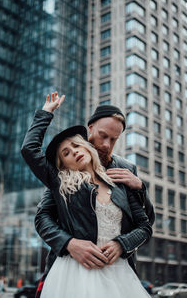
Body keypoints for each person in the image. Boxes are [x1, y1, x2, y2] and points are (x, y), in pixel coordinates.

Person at [21, 92, 152, 297]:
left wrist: (140, 188)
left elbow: (145, 223)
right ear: (89, 130)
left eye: (114, 139)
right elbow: (43, 217)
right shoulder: (63, 178)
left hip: (120, 273)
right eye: (103, 136)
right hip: (73, 270)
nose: (107, 144)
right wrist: (69, 243)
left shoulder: (125, 172)